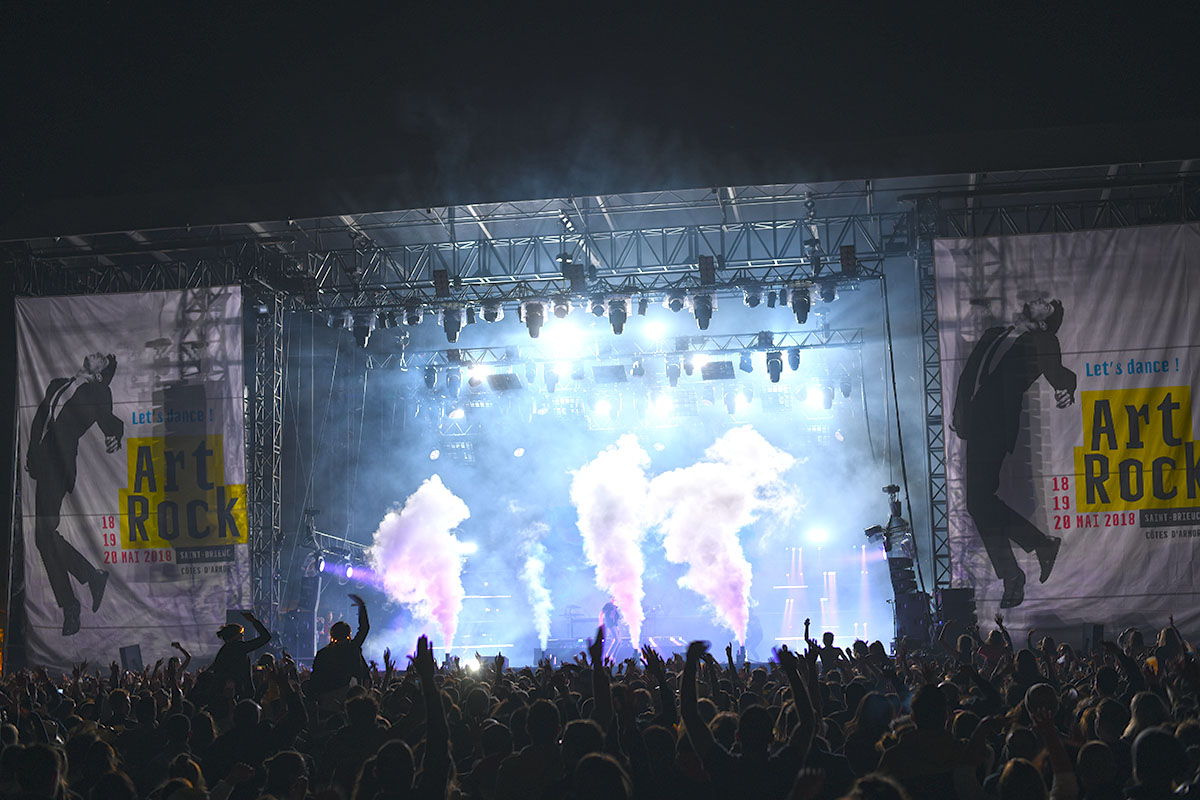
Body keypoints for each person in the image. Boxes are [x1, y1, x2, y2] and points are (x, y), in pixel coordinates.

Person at [951, 297, 1076, 608]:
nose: (1040, 300)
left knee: (979, 502)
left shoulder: (1042, 339)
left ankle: (1022, 564)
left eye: (1047, 306)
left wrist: (1065, 387)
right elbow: (970, 374)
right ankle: (1030, 556)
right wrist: (959, 415)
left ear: (1043, 322)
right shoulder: (996, 333)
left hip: (995, 424)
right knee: (977, 504)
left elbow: (1056, 369)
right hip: (976, 422)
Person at [25, 352, 123, 635]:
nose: (98, 354)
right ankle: (86, 583)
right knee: (43, 537)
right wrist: (32, 454)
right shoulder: (57, 384)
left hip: (60, 465)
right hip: (44, 463)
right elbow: (40, 419)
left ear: (99, 374)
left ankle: (77, 595)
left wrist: (115, 434)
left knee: (44, 534)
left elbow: (108, 419)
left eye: (103, 360)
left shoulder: (98, 392)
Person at [306, 593, 370, 699]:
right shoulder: (352, 647)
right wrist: (361, 606)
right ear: (348, 634)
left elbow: (315, 679)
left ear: (332, 634)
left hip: (327, 698)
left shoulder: (322, 653)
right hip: (350, 696)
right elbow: (364, 628)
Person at [208, 610, 272, 699]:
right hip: (239, 694)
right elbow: (266, 637)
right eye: (241, 634)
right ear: (236, 636)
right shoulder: (237, 647)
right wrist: (254, 621)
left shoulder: (224, 650)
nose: (243, 636)